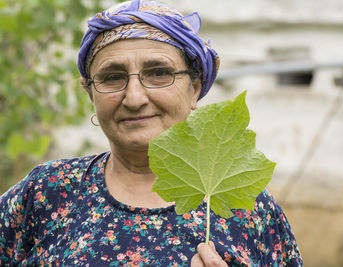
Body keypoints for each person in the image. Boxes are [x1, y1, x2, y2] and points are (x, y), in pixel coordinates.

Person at [0, 0, 303, 266]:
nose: (134, 98)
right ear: (91, 93)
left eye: (159, 73)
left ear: (194, 88)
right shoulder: (47, 192)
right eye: (112, 77)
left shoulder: (248, 208)